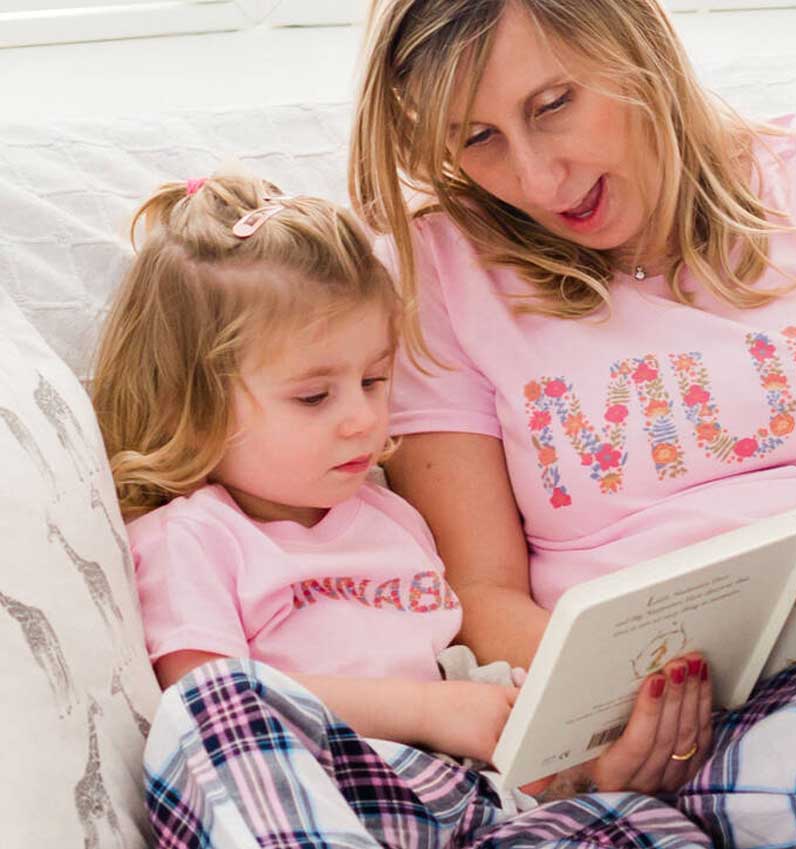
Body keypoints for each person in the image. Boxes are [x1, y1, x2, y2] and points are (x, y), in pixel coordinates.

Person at [137, 2, 796, 848]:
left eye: (552, 105)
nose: (536, 177)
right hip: (693, 725)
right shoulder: (437, 272)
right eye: (477, 139)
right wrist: (605, 725)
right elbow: (479, 595)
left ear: (633, 41)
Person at [92, 173, 711, 847]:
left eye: (374, 380)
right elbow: (201, 693)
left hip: (465, 797)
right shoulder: (193, 536)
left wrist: (588, 769)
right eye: (314, 397)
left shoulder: (392, 516)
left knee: (643, 821)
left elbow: (464, 684)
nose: (363, 418)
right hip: (323, 794)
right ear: (193, 403)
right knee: (213, 705)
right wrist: (425, 710)